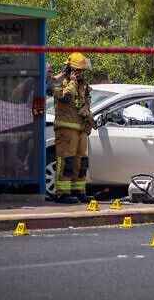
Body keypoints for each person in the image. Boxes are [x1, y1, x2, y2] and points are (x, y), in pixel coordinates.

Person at [52, 52, 96, 204]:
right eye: (78, 71)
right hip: (66, 128)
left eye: (83, 71)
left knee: (80, 162)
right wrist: (72, 83)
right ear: (70, 69)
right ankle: (62, 194)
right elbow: (64, 99)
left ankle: (79, 191)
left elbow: (83, 104)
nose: (81, 74)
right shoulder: (58, 81)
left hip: (80, 128)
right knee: (66, 161)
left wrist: (88, 120)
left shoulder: (83, 84)